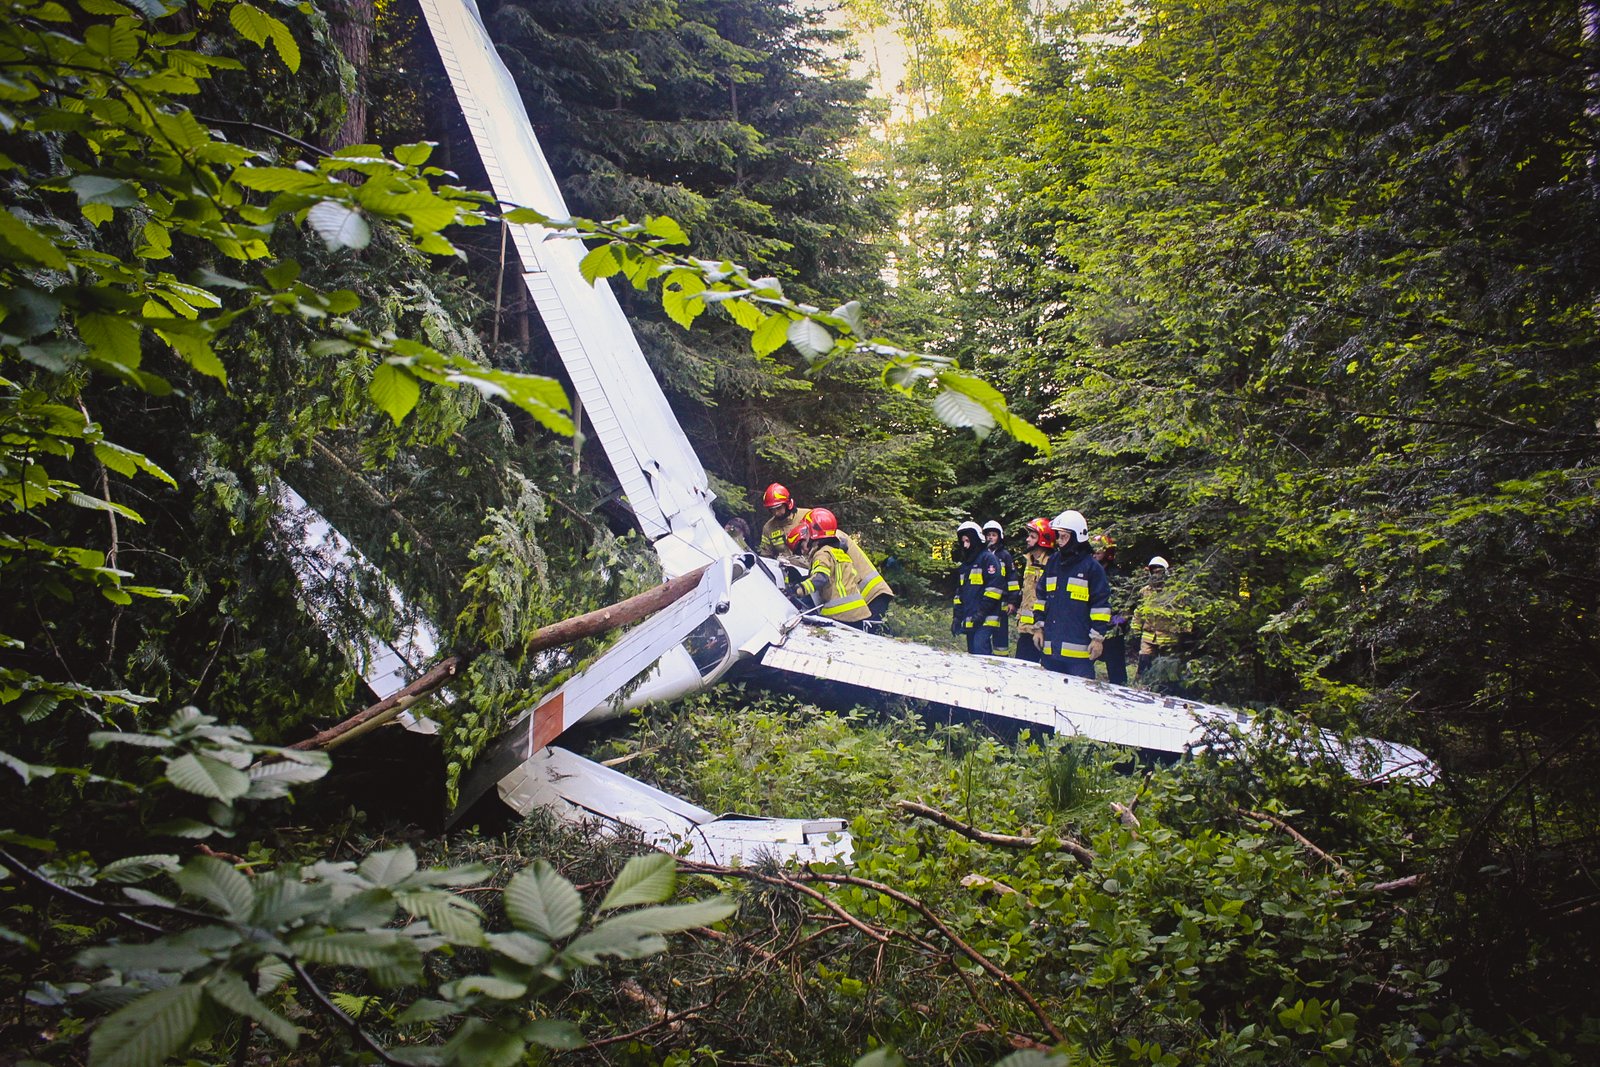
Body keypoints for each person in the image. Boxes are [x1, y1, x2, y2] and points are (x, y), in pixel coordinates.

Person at [1030, 509, 1112, 679]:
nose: (1059, 542)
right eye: (1058, 536)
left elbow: (1100, 606)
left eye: (1064, 537)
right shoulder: (1053, 562)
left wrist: (1097, 639)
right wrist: (1038, 627)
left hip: (1079, 657)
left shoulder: (1092, 568)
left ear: (1077, 537)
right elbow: (1041, 597)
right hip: (1050, 650)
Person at [787, 508, 871, 627]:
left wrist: (798, 589)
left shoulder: (821, 554)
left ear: (814, 533)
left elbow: (821, 578)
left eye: (802, 546)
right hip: (859, 613)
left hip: (839, 614)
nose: (803, 551)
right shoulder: (838, 552)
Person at [950, 520, 1005, 655]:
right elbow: (960, 593)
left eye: (968, 541)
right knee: (973, 653)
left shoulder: (988, 559)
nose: (965, 545)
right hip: (971, 618)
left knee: (980, 649)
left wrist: (981, 613)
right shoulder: (966, 565)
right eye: (963, 542)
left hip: (986, 618)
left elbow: (995, 589)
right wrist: (957, 617)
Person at [1133, 555, 1185, 681]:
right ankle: (1141, 684)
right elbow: (1139, 611)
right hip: (1148, 635)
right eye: (1154, 572)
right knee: (1144, 662)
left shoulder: (1175, 591)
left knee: (1168, 666)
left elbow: (1183, 613)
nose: (1156, 575)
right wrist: (1136, 627)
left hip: (1168, 636)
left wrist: (1183, 630)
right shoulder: (1145, 591)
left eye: (1159, 571)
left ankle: (1167, 688)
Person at [1090, 532, 1130, 685]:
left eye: (1098, 551)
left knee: (1117, 675)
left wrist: (1117, 621)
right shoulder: (1088, 572)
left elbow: (1127, 606)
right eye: (1093, 551)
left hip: (1113, 629)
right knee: (1082, 668)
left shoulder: (1117, 577)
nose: (1094, 555)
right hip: (1092, 626)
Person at [1014, 517, 1056, 664]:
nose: (1027, 540)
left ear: (1043, 540)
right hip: (1026, 629)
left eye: (1032, 537)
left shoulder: (1053, 563)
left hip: (1043, 630)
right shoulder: (1029, 561)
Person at [836, 527, 894, 622]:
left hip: (872, 595)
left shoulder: (834, 538)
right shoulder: (835, 535)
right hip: (874, 593)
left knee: (869, 634)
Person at [981, 520, 1020, 651]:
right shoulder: (981, 555)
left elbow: (1012, 580)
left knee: (1001, 636)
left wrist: (1012, 602)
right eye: (988, 535)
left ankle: (1002, 662)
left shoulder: (1005, 556)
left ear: (999, 537)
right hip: (985, 601)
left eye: (994, 535)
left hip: (1002, 603)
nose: (990, 537)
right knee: (983, 633)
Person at [758, 483, 806, 558]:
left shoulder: (807, 516)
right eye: (772, 510)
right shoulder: (768, 528)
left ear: (788, 504)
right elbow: (766, 556)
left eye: (779, 508)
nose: (776, 513)